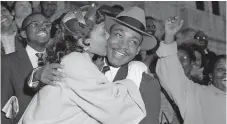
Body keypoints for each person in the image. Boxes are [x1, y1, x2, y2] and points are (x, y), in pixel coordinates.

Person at [27, 6, 161, 124]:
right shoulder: (80, 63)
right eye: (118, 35)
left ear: (138, 50)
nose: (123, 45)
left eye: (133, 42)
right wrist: (37, 75)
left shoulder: (148, 84)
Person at [156, 16, 226, 124]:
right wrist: (169, 37)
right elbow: (173, 76)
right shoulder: (196, 94)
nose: (226, 73)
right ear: (211, 75)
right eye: (221, 69)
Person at [1, 13, 52, 124]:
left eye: (47, 25)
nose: (43, 27)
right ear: (23, 34)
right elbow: (3, 105)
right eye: (35, 24)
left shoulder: (58, 59)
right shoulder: (7, 62)